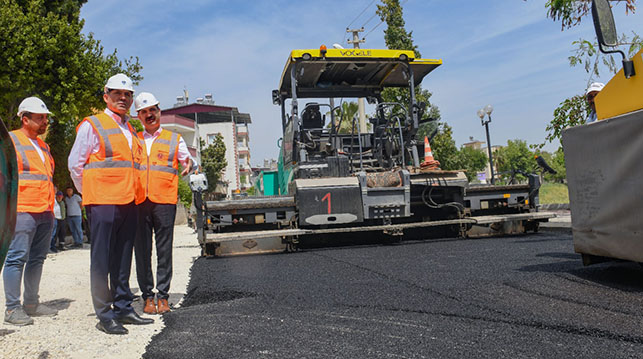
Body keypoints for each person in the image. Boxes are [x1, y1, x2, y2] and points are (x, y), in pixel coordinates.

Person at [68, 73, 152, 335]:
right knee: (102, 261)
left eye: (128, 95)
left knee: (122, 258)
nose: (123, 98)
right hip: (102, 203)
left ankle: (124, 307)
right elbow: (75, 164)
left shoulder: (130, 130)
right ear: (106, 96)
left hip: (128, 202)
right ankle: (105, 314)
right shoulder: (92, 125)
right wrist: (90, 192)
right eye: (118, 94)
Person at [133, 92, 193, 315]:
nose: (150, 115)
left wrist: (189, 164)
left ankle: (164, 296)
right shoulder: (133, 140)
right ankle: (147, 296)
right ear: (139, 115)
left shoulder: (174, 139)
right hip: (139, 201)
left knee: (164, 250)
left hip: (165, 201)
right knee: (142, 251)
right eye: (145, 112)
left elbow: (187, 160)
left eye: (153, 110)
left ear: (159, 112)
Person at [3, 97, 58, 326]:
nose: (45, 122)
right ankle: (12, 308)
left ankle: (31, 303)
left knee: (37, 259)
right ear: (25, 119)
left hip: (45, 210)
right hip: (22, 209)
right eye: (40, 118)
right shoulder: (11, 141)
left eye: (46, 117)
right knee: (16, 258)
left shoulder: (43, 146)